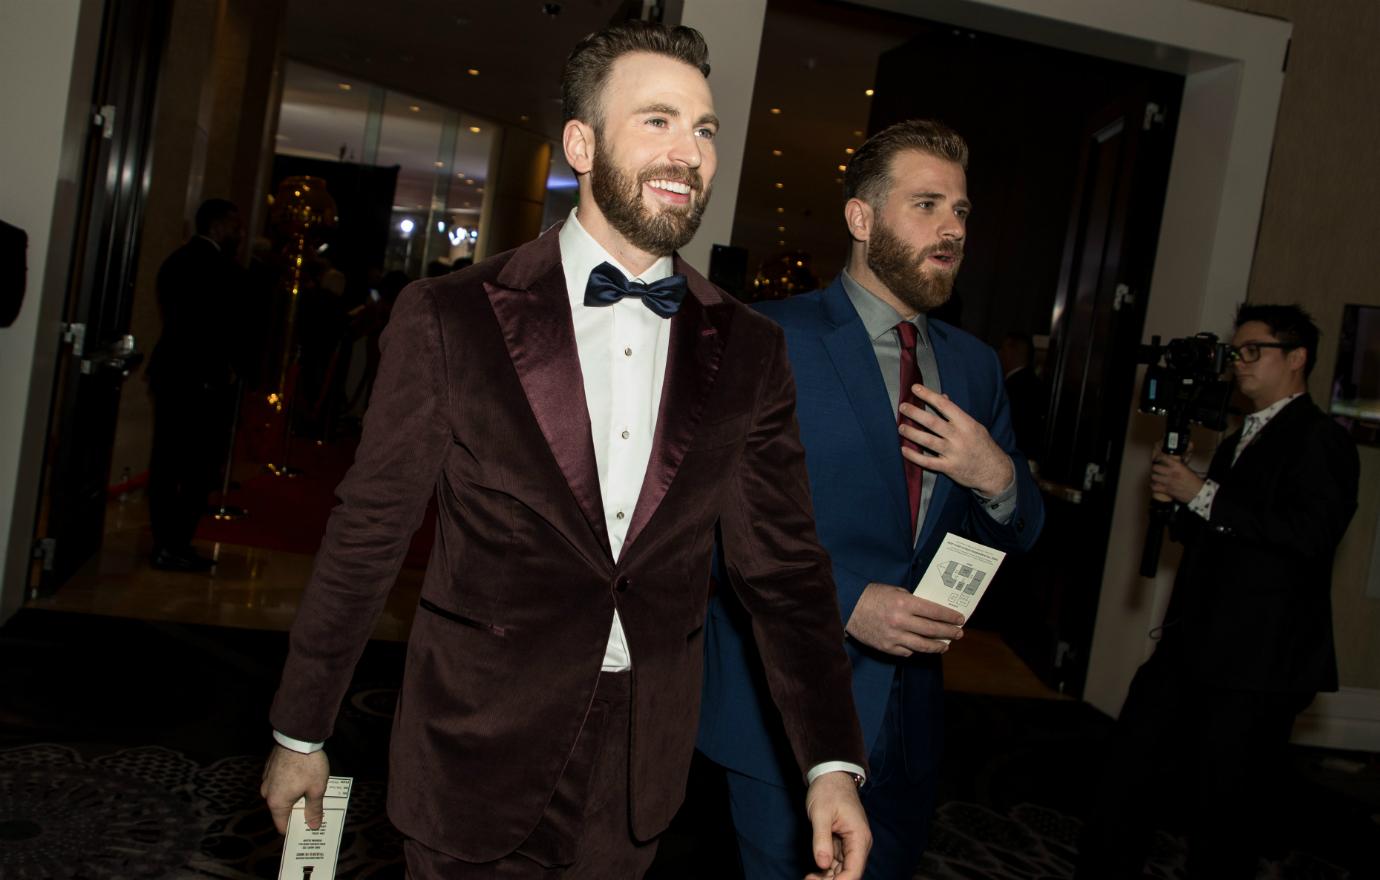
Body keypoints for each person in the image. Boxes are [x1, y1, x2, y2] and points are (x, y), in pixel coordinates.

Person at [260, 21, 871, 879]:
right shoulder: (453, 316)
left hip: (638, 769)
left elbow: (787, 572)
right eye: (657, 121)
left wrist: (831, 764)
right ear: (581, 143)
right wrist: (301, 730)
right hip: (474, 746)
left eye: (704, 130)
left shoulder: (751, 351)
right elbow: (369, 532)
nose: (688, 152)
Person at [699, 120, 1045, 879]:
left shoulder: (977, 368)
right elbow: (703, 529)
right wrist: (846, 600)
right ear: (862, 219)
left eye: (960, 211)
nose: (951, 228)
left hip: (910, 720)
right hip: (781, 710)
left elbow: (1021, 531)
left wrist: (997, 477)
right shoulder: (765, 339)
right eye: (927, 205)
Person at [1077, 304, 1359, 878]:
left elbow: (1308, 536)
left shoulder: (1321, 440)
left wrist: (1200, 494)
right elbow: (1224, 535)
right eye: (1236, 352)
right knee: (1129, 769)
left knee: (1225, 810)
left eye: (1253, 351)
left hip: (1257, 660)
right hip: (1194, 645)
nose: (1239, 364)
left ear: (1297, 358)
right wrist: (1179, 505)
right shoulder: (1240, 439)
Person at [145, 198, 245, 572]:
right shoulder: (222, 270)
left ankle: (164, 541)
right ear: (218, 227)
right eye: (236, 227)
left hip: (170, 374)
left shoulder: (174, 262)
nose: (241, 235)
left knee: (167, 461)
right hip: (202, 382)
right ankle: (175, 542)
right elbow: (221, 331)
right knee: (197, 466)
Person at [997, 331, 1046, 463]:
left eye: (1002, 349)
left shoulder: (1012, 388)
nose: (999, 354)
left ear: (1013, 351)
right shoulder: (1037, 384)